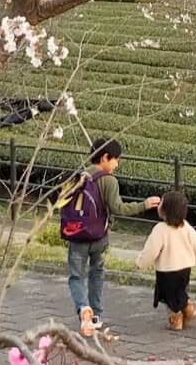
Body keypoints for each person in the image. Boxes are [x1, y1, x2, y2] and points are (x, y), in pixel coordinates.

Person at [60, 139, 159, 337]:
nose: (117, 164)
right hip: (99, 237)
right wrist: (144, 205)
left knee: (76, 276)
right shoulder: (108, 180)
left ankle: (83, 309)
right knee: (97, 272)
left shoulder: (78, 175)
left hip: (76, 235)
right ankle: (95, 315)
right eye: (116, 160)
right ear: (105, 157)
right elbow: (118, 208)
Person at [134, 189, 196, 330]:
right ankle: (187, 308)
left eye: (161, 202)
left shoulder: (160, 229)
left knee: (169, 296)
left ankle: (177, 319)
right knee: (179, 290)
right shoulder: (186, 226)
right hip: (185, 268)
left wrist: (140, 263)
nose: (159, 205)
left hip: (167, 270)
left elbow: (151, 250)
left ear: (165, 210)